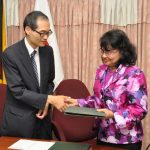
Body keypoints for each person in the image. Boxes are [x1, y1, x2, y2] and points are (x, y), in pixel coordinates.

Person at [66, 29, 148, 150]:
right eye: (103, 51)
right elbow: (98, 100)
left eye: (109, 52)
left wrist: (113, 115)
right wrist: (78, 102)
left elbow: (140, 109)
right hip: (103, 135)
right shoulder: (101, 71)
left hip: (126, 140)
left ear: (122, 51)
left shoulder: (134, 74)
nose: (104, 56)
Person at [0, 11, 69, 139]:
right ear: (27, 30)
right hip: (20, 121)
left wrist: (45, 104)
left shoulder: (48, 51)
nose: (45, 37)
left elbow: (50, 81)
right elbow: (18, 91)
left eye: (48, 32)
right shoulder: (10, 54)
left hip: (43, 119)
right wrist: (49, 99)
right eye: (42, 33)